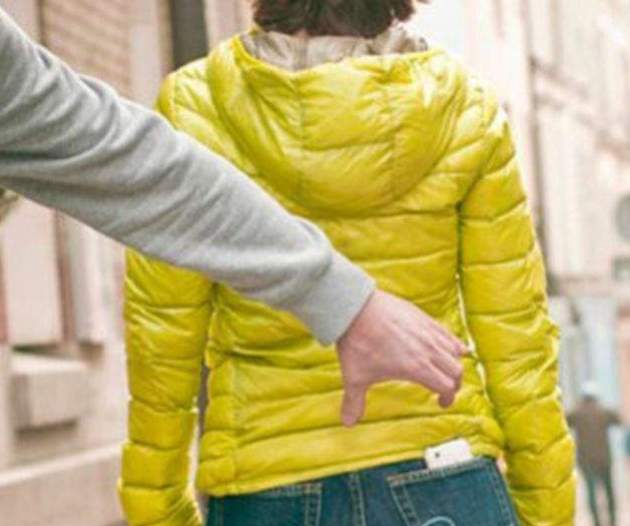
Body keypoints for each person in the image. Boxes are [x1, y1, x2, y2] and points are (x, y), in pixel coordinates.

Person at [119, 1, 576, 526]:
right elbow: (516, 330)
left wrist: (162, 516)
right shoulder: (463, 107)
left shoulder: (197, 106)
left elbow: (162, 334)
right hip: (446, 483)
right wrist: (545, 509)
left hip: (267, 500)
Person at [0, 7, 468, 425]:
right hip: (440, 439)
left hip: (260, 461)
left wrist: (156, 493)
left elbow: (165, 323)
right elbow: (506, 313)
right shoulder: (460, 102)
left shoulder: (196, 95)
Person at [568, 381, 621, 526]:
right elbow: (618, 420)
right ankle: (612, 524)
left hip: (586, 460)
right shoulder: (603, 411)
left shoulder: (577, 413)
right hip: (604, 458)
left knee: (591, 494)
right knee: (609, 491)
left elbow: (563, 420)